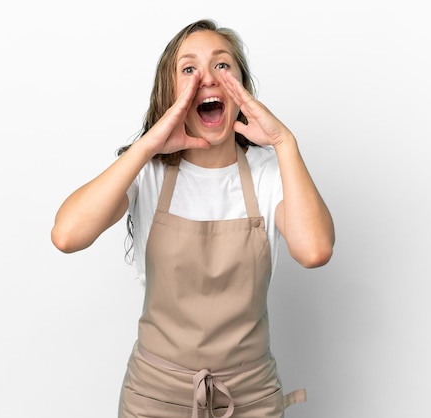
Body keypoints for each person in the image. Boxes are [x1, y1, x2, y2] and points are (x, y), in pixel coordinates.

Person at [51, 18, 335, 418]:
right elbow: (67, 235)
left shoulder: (270, 173)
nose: (207, 77)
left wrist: (284, 142)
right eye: (188, 69)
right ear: (169, 92)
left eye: (222, 66)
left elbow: (315, 249)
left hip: (250, 398)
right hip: (154, 397)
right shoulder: (146, 173)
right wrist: (147, 145)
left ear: (242, 90)